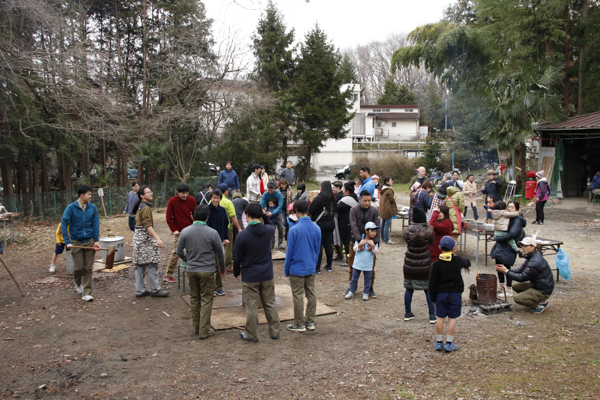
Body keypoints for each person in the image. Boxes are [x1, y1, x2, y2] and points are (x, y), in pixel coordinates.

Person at [233, 203, 280, 342]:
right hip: (267, 274)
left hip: (250, 276)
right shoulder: (268, 230)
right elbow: (270, 223)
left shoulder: (242, 236)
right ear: (260, 215)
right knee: (270, 303)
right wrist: (264, 214)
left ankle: (252, 334)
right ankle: (275, 331)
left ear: (246, 215)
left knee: (252, 306)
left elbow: (237, 258)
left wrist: (236, 272)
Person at [177, 204, 225, 339]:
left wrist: (188, 259)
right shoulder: (212, 232)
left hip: (191, 270)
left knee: (194, 297)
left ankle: (197, 327)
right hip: (207, 271)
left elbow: (178, 251)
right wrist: (221, 268)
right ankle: (204, 330)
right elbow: (220, 253)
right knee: (206, 299)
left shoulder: (185, 231)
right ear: (207, 217)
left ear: (193, 216)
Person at [429, 236, 471, 352]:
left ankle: (438, 341)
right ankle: (449, 342)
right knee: (452, 318)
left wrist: (433, 297)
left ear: (439, 247)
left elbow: (432, 283)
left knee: (440, 317)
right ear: (454, 248)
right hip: (455, 293)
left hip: (441, 294)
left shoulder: (436, 264)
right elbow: (468, 262)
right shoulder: (457, 260)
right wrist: (457, 255)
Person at [284, 200, 321, 332]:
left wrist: (286, 269)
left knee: (298, 295)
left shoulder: (294, 229)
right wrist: (314, 265)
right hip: (310, 267)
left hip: (296, 268)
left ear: (297, 211)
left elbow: (289, 252)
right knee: (311, 294)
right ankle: (310, 321)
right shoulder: (316, 228)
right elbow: (317, 250)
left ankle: (299, 323)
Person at [495, 236, 554, 314]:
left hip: (543, 290)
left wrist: (506, 272)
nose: (523, 248)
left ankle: (540, 304)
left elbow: (522, 277)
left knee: (517, 298)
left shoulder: (535, 261)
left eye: (526, 246)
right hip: (538, 285)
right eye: (522, 246)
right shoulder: (530, 257)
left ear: (533, 247)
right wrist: (507, 269)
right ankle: (536, 299)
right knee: (516, 287)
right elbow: (519, 270)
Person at [62, 184, 100, 302]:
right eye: (88, 194)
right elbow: (64, 224)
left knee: (88, 268)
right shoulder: (71, 208)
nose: (90, 197)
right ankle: (77, 283)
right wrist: (67, 241)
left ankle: (87, 292)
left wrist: (96, 240)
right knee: (78, 267)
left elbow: (95, 224)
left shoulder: (92, 208)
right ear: (81, 195)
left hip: (89, 241)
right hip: (76, 241)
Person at [132, 186, 169, 298]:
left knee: (140, 265)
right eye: (148, 192)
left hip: (138, 238)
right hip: (145, 239)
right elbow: (147, 225)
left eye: (151, 191)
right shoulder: (145, 208)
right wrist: (157, 239)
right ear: (142, 195)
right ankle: (155, 289)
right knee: (152, 263)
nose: (151, 193)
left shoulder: (140, 206)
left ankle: (140, 290)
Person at [403, 208, 436, 323]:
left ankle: (408, 313)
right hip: (424, 264)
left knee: (409, 288)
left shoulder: (408, 231)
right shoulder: (428, 231)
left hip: (409, 264)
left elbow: (406, 241)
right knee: (428, 289)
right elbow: (432, 242)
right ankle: (432, 315)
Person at [348, 190, 381, 298]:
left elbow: (377, 228)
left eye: (369, 200)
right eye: (364, 200)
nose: (367, 203)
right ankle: (352, 287)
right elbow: (354, 227)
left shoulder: (374, 211)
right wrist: (360, 241)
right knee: (352, 265)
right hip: (356, 241)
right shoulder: (354, 210)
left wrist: (373, 243)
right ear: (359, 200)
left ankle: (369, 288)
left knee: (371, 267)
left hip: (371, 242)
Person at [491, 200, 526, 296]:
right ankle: (501, 286)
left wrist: (498, 238)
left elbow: (512, 234)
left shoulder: (517, 220)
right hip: (502, 245)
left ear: (517, 210)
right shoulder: (507, 217)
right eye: (508, 207)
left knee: (506, 267)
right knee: (498, 265)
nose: (509, 209)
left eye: (512, 207)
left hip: (509, 246)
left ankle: (509, 289)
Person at [164, 183, 196, 283]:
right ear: (178, 192)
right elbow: (169, 218)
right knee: (176, 253)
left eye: (186, 193)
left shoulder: (191, 200)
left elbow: (195, 214)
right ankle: (168, 274)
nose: (185, 195)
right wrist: (174, 230)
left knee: (193, 251)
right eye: (182, 193)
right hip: (179, 233)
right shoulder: (172, 201)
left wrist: (196, 226)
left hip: (190, 230)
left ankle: (194, 271)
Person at [344, 222, 379, 301]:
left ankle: (366, 293)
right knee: (354, 278)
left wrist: (373, 246)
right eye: (372, 231)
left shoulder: (374, 241)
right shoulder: (360, 239)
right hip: (358, 264)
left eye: (375, 231)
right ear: (366, 231)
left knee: (367, 279)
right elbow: (354, 249)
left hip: (368, 265)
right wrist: (360, 245)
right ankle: (351, 291)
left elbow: (376, 252)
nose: (374, 233)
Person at [309, 181, 337, 273]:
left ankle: (317, 268)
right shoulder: (333, 199)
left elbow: (311, 210)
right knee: (328, 245)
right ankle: (329, 266)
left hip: (320, 225)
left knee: (319, 246)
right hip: (330, 224)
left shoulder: (319, 198)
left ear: (321, 187)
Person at [207, 189, 230, 296]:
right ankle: (210, 288)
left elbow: (225, 225)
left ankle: (218, 287)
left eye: (217, 198)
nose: (215, 200)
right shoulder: (207, 209)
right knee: (211, 264)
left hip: (219, 240)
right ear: (211, 198)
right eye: (214, 198)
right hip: (208, 240)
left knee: (219, 263)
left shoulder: (222, 210)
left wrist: (226, 237)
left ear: (220, 199)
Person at [217, 184, 241, 272]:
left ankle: (217, 266)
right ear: (226, 191)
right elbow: (233, 217)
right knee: (227, 247)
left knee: (216, 246)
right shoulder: (227, 202)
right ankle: (227, 266)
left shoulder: (212, 200)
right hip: (227, 228)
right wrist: (239, 228)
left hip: (214, 228)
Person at [337, 182, 358, 266]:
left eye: (344, 189)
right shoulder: (354, 198)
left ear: (347, 191)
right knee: (350, 242)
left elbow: (336, 209)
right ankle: (351, 258)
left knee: (347, 243)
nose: (342, 191)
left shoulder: (346, 200)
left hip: (345, 224)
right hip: (350, 223)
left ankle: (348, 260)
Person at [260, 181, 284, 249]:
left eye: (271, 190)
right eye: (268, 190)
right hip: (268, 211)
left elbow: (280, 206)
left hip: (277, 212)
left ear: (275, 188)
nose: (270, 191)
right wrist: (263, 210)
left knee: (280, 228)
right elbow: (261, 203)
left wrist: (273, 213)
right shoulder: (265, 194)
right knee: (269, 228)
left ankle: (280, 243)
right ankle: (270, 244)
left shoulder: (279, 194)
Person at [379, 176, 397, 245]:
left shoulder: (383, 189)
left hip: (383, 209)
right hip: (388, 209)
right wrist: (395, 197)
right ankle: (386, 239)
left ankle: (383, 238)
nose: (392, 182)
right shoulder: (388, 190)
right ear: (387, 182)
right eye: (391, 180)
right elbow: (392, 200)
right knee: (387, 224)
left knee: (383, 223)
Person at [278, 178, 294, 244]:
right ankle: (285, 231)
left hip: (288, 208)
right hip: (282, 208)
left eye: (284, 184)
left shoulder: (289, 189)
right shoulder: (278, 190)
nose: (283, 186)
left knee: (289, 219)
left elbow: (293, 197)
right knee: (283, 220)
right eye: (282, 184)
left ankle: (289, 231)